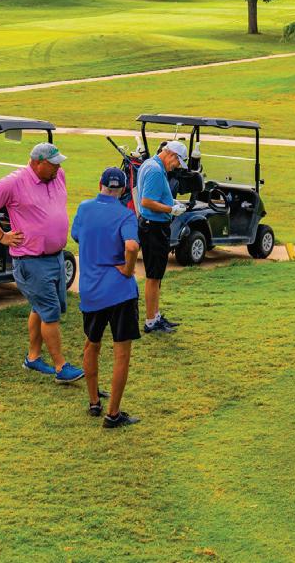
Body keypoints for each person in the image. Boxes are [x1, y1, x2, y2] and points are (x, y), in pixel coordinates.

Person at [0, 142, 84, 384]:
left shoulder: (58, 176)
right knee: (50, 313)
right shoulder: (14, 182)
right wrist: (1, 236)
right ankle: (61, 367)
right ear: (36, 162)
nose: (58, 168)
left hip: (55, 256)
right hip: (31, 261)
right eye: (53, 164)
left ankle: (33, 358)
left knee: (40, 308)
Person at [72, 167, 142, 428]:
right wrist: (126, 268)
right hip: (119, 292)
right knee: (121, 353)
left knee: (92, 344)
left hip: (91, 290)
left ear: (99, 183)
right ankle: (113, 414)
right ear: (123, 190)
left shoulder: (84, 208)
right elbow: (132, 246)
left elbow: (77, 235)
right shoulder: (126, 216)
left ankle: (93, 402)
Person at [134, 139, 188, 335]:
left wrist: (171, 201)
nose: (176, 167)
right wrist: (171, 209)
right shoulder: (156, 171)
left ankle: (155, 316)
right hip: (154, 228)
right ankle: (150, 321)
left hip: (153, 226)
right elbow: (147, 201)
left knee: (157, 276)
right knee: (153, 276)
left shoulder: (151, 164)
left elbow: (155, 196)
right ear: (172, 155)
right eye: (177, 163)